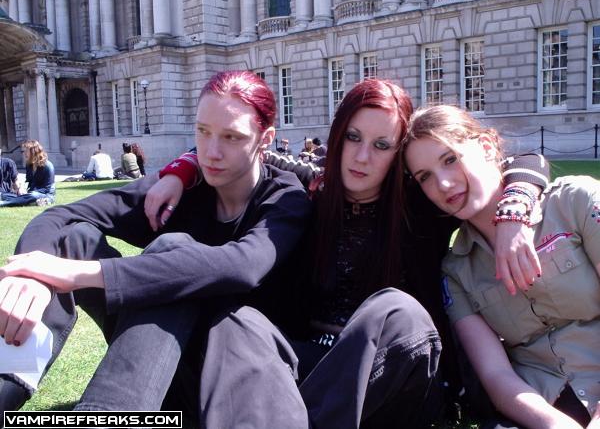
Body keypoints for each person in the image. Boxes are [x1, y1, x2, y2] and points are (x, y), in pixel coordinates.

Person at [148, 79, 549, 428]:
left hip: (393, 373)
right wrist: (181, 170)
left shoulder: (420, 204)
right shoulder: (317, 185)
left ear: (398, 155)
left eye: (381, 145)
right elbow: (246, 147)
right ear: (338, 135)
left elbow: (521, 160)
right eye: (353, 137)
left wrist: (513, 212)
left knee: (398, 310)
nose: (361, 157)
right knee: (237, 322)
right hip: (312, 366)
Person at [0, 71, 311, 418]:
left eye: (232, 137)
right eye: (203, 131)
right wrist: (32, 277)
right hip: (156, 366)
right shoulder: (180, 190)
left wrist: (82, 274)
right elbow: (60, 216)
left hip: (235, 381)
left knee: (175, 250)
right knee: (73, 239)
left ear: (265, 139)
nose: (211, 152)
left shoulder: (285, 198)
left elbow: (241, 266)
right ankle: (6, 388)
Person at [402, 104, 600, 429]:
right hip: (543, 403)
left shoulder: (575, 202)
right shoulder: (456, 271)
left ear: (486, 146)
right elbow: (496, 376)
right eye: (425, 176)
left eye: (450, 159)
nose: (444, 184)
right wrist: (555, 426)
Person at [0, 140, 55, 207]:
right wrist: (23, 190)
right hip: (30, 194)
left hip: (45, 194)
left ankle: (4, 203)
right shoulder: (29, 165)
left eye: (26, 151)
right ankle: (30, 201)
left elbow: (47, 188)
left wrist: (31, 193)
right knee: (6, 194)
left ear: (33, 151)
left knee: (32, 196)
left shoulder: (48, 166)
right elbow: (29, 182)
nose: (24, 153)